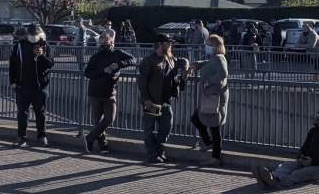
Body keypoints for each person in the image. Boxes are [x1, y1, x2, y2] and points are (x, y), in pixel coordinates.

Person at [254, 108, 319, 190]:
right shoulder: (314, 132)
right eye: (318, 123)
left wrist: (313, 162)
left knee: (300, 173)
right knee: (287, 165)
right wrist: (301, 157)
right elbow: (304, 148)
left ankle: (278, 182)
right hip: (308, 162)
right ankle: (272, 177)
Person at [83, 28, 136, 154]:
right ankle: (102, 145)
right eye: (103, 40)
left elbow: (133, 60)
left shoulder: (117, 53)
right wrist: (103, 71)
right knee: (98, 120)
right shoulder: (96, 57)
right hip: (95, 92)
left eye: (108, 40)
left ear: (112, 41)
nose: (106, 42)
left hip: (110, 92)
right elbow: (87, 73)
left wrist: (119, 65)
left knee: (109, 119)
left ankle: (89, 138)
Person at [137, 34, 188, 162]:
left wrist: (186, 66)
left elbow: (182, 61)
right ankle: (152, 154)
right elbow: (142, 82)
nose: (170, 45)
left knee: (166, 127)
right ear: (160, 44)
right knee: (149, 129)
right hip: (152, 101)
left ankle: (159, 151)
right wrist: (146, 99)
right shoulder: (148, 61)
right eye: (168, 42)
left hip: (165, 101)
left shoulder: (170, 59)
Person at [9, 23, 53, 146]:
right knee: (22, 113)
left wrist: (41, 55)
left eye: (36, 34)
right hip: (23, 86)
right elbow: (13, 64)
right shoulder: (19, 46)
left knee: (41, 112)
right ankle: (21, 138)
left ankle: (42, 136)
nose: (34, 37)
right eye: (31, 34)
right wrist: (13, 81)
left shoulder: (45, 45)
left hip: (40, 87)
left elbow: (50, 64)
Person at [192, 33, 230, 163]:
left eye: (208, 44)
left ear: (214, 46)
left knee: (214, 125)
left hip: (214, 97)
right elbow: (211, 64)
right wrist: (200, 64)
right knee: (199, 119)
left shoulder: (219, 58)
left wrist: (209, 81)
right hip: (211, 96)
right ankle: (209, 143)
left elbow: (223, 73)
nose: (206, 46)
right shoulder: (216, 57)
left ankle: (216, 156)